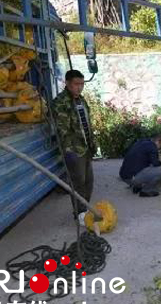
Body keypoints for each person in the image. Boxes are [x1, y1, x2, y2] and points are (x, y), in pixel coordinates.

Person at [52, 69, 96, 225]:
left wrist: (92, 143)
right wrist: (69, 150)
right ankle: (80, 213)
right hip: (74, 151)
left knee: (89, 181)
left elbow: (87, 125)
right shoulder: (60, 102)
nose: (79, 87)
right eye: (76, 84)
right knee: (78, 183)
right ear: (68, 84)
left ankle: (85, 209)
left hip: (86, 147)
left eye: (82, 84)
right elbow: (62, 130)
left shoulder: (81, 100)